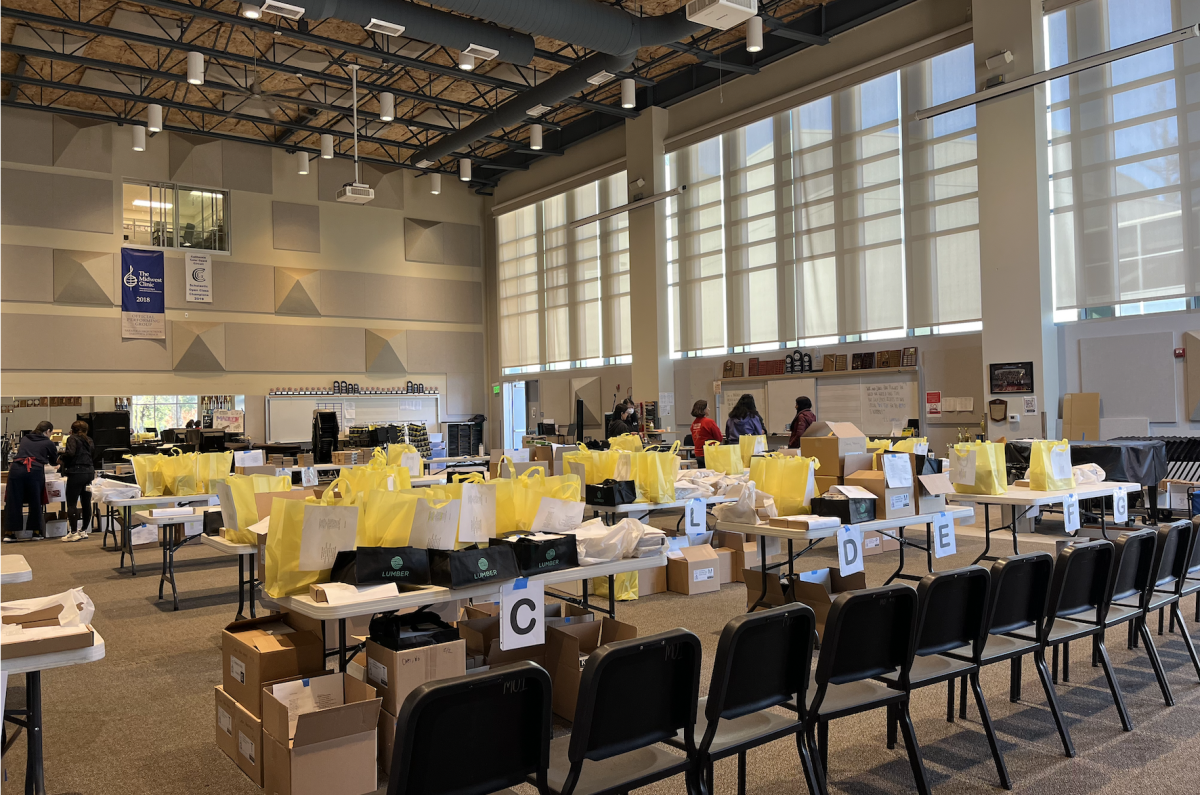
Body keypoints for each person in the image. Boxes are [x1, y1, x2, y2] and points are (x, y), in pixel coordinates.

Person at [4, 421, 58, 541]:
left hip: (16, 469)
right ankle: (36, 532)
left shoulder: (25, 438)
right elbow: (54, 460)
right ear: (48, 431)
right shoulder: (48, 442)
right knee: (35, 500)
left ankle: (9, 533)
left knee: (14, 501)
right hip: (34, 470)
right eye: (51, 433)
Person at [59, 420, 96, 542]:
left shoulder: (72, 438)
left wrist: (60, 456)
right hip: (89, 472)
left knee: (72, 503)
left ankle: (73, 532)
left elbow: (71, 453)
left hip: (76, 472)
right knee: (86, 502)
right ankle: (84, 530)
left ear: (72, 430)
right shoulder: (89, 440)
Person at [689, 399, 723, 468]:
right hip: (709, 453)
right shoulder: (709, 422)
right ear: (703, 410)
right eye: (707, 407)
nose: (709, 409)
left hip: (698, 453)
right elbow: (719, 438)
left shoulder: (694, 423)